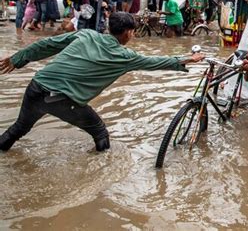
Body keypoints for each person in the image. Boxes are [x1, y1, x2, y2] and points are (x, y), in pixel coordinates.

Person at [0, 12, 205, 153]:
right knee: (99, 132)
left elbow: (48, 44)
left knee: (19, 128)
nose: (132, 36)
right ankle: (100, 178)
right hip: (61, 99)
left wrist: (18, 59)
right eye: (133, 32)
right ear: (127, 33)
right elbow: (155, 62)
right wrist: (188, 59)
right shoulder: (124, 56)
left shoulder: (86, 34)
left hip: (36, 86)